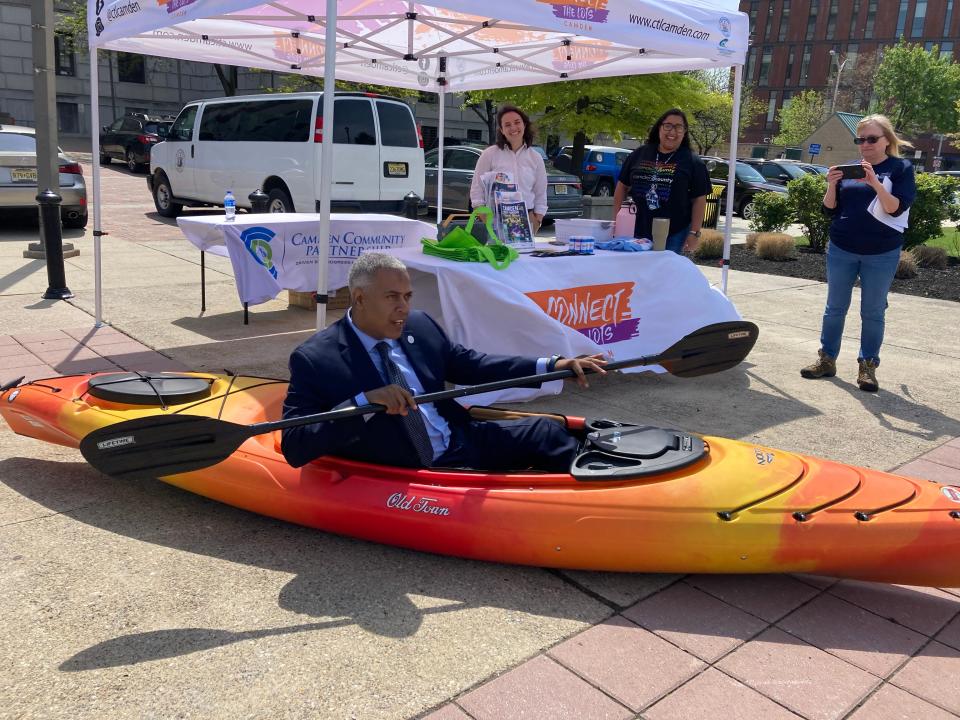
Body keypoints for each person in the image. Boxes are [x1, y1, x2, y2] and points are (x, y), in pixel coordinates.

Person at [281, 253, 606, 472]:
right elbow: (295, 446)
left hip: (458, 439)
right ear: (360, 298)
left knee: (544, 431)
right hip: (411, 466)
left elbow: (472, 365)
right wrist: (364, 403)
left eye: (408, 296)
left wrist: (552, 365)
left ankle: (607, 482)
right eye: (392, 297)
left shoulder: (419, 325)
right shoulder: (315, 359)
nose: (404, 308)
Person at [800, 114, 916, 393]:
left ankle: (868, 367)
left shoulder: (900, 168)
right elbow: (829, 210)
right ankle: (827, 359)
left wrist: (875, 183)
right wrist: (831, 183)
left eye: (871, 139)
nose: (865, 144)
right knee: (834, 308)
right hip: (842, 247)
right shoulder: (848, 168)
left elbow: (895, 208)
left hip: (882, 251)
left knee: (873, 311)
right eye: (860, 139)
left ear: (887, 140)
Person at [612, 108, 709, 254]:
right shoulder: (639, 154)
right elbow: (621, 186)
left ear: (685, 132)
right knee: (637, 272)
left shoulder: (693, 162)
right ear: (659, 128)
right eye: (668, 125)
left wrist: (694, 233)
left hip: (675, 232)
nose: (672, 132)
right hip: (636, 229)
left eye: (678, 127)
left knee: (666, 273)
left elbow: (700, 199)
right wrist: (616, 220)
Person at [469, 105, 547, 235]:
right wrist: (485, 218)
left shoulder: (536, 157)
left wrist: (537, 220)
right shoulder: (489, 154)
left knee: (523, 255)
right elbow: (477, 189)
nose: (513, 128)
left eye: (517, 122)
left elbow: (540, 192)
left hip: (527, 219)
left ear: (525, 125)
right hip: (494, 220)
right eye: (507, 125)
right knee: (498, 255)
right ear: (502, 130)